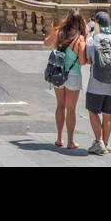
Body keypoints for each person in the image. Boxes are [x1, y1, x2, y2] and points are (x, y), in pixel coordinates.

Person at [42, 8, 88, 149]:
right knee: (71, 110)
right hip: (73, 75)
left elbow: (46, 43)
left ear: (67, 19)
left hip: (58, 74)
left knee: (60, 106)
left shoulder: (58, 32)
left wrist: (59, 26)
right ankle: (70, 141)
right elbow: (82, 62)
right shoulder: (80, 39)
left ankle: (59, 138)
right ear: (80, 21)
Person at [84, 10, 111, 155]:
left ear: (97, 24)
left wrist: (89, 34)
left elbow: (88, 59)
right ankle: (106, 143)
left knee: (93, 112)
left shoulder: (92, 41)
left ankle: (98, 141)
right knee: (107, 115)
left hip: (95, 84)